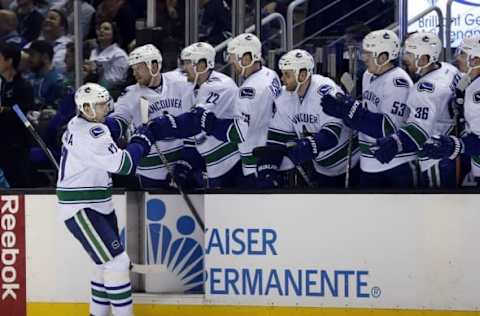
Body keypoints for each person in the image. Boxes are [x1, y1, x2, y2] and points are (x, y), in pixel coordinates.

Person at [57, 83, 154, 316]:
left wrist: (124, 120)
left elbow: (109, 126)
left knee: (103, 265)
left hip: (99, 205)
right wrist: (143, 140)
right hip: (82, 208)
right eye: (100, 106)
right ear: (86, 108)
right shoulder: (92, 134)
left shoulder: (78, 123)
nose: (105, 109)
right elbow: (126, 165)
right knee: (118, 263)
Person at [321, 29, 415, 188]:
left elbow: (389, 128)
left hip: (396, 164)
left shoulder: (398, 82)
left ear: (384, 57)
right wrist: (344, 109)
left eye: (369, 54)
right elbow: (364, 111)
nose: (363, 58)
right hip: (368, 162)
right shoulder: (368, 75)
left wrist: (351, 112)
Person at [368, 32, 460, 188]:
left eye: (410, 54)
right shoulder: (448, 69)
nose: (405, 58)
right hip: (450, 146)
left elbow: (419, 129)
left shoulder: (425, 90)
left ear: (424, 59)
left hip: (434, 157)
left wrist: (394, 143)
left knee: (436, 207)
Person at [257, 49, 359, 188]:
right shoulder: (285, 97)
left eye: (286, 75)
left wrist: (307, 145)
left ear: (302, 75)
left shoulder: (325, 90)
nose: (282, 79)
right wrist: (268, 165)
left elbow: (331, 135)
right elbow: (278, 138)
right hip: (322, 171)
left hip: (352, 165)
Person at [191, 33, 281, 187]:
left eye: (234, 60)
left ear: (247, 58)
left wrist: (210, 123)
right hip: (271, 156)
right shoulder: (270, 74)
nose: (233, 65)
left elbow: (239, 133)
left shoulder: (249, 89)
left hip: (255, 165)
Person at [149, 42, 242, 188]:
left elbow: (195, 121)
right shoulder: (192, 89)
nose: (184, 68)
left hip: (234, 162)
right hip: (214, 165)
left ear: (202, 65)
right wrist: (185, 163)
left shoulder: (221, 85)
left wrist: (161, 125)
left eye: (188, 63)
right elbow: (193, 138)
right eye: (184, 63)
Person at [106, 44, 194, 188]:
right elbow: (118, 121)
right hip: (150, 171)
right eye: (133, 69)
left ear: (153, 66)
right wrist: (102, 126)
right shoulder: (130, 94)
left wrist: (190, 160)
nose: (135, 73)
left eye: (138, 68)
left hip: (183, 163)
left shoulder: (180, 82)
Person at [422, 36, 480, 185]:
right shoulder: (469, 80)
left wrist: (455, 145)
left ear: (476, 60)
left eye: (462, 54)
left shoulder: (476, 90)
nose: (458, 58)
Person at [0, 42, 34, 187]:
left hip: (16, 144)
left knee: (18, 183)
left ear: (9, 61)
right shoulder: (1, 84)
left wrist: (3, 110)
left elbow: (23, 114)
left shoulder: (23, 86)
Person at [83, 21, 128, 90]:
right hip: (90, 88)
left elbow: (117, 80)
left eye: (106, 29)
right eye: (99, 29)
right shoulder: (94, 52)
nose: (101, 31)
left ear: (113, 34)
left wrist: (97, 70)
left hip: (109, 92)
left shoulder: (120, 54)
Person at [26, 39, 67, 109]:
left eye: (32, 55)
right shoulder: (27, 79)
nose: (28, 59)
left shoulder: (58, 82)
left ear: (45, 57)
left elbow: (63, 112)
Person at [37, 9, 71, 74]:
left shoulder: (67, 44)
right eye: (46, 18)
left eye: (52, 18)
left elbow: (58, 67)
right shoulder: (38, 41)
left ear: (62, 26)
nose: (47, 20)